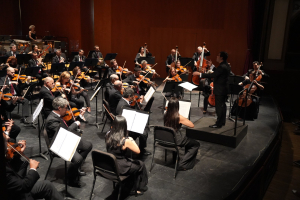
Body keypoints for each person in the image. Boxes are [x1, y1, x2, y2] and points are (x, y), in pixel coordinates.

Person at [45, 97, 93, 187]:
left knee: (88, 145)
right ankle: (70, 178)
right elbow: (64, 133)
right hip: (58, 144)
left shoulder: (58, 116)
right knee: (78, 158)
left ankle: (75, 168)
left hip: (65, 139)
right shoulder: (52, 120)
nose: (67, 110)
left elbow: (68, 125)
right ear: (59, 108)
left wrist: (79, 116)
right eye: (66, 108)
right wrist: (75, 124)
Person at [4, 134, 64, 200]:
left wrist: (18, 154)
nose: (8, 137)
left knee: (47, 185)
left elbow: (15, 173)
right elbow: (24, 186)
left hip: (16, 190)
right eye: (5, 141)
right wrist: (32, 169)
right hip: (17, 195)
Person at [105, 115, 148, 195]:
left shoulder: (108, 134)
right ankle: (138, 188)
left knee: (130, 161)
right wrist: (130, 139)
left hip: (110, 164)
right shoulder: (125, 140)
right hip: (120, 167)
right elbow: (138, 151)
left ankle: (130, 182)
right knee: (141, 164)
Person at [193, 51, 231, 128]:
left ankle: (218, 123)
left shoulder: (222, 66)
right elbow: (218, 72)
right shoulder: (226, 65)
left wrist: (199, 74)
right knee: (223, 106)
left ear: (221, 57)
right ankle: (222, 121)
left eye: (218, 55)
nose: (216, 56)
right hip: (224, 89)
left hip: (220, 90)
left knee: (219, 107)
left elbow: (214, 74)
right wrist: (212, 66)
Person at [164, 97, 200, 170]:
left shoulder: (165, 114)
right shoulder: (179, 117)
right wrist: (184, 117)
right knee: (196, 144)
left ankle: (176, 159)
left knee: (188, 141)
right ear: (177, 106)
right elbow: (192, 125)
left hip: (167, 138)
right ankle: (182, 163)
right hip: (177, 139)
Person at [116, 88, 151, 156]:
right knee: (144, 132)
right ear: (129, 96)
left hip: (124, 122)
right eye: (132, 96)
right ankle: (141, 150)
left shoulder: (122, 100)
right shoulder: (124, 105)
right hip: (125, 127)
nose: (134, 97)